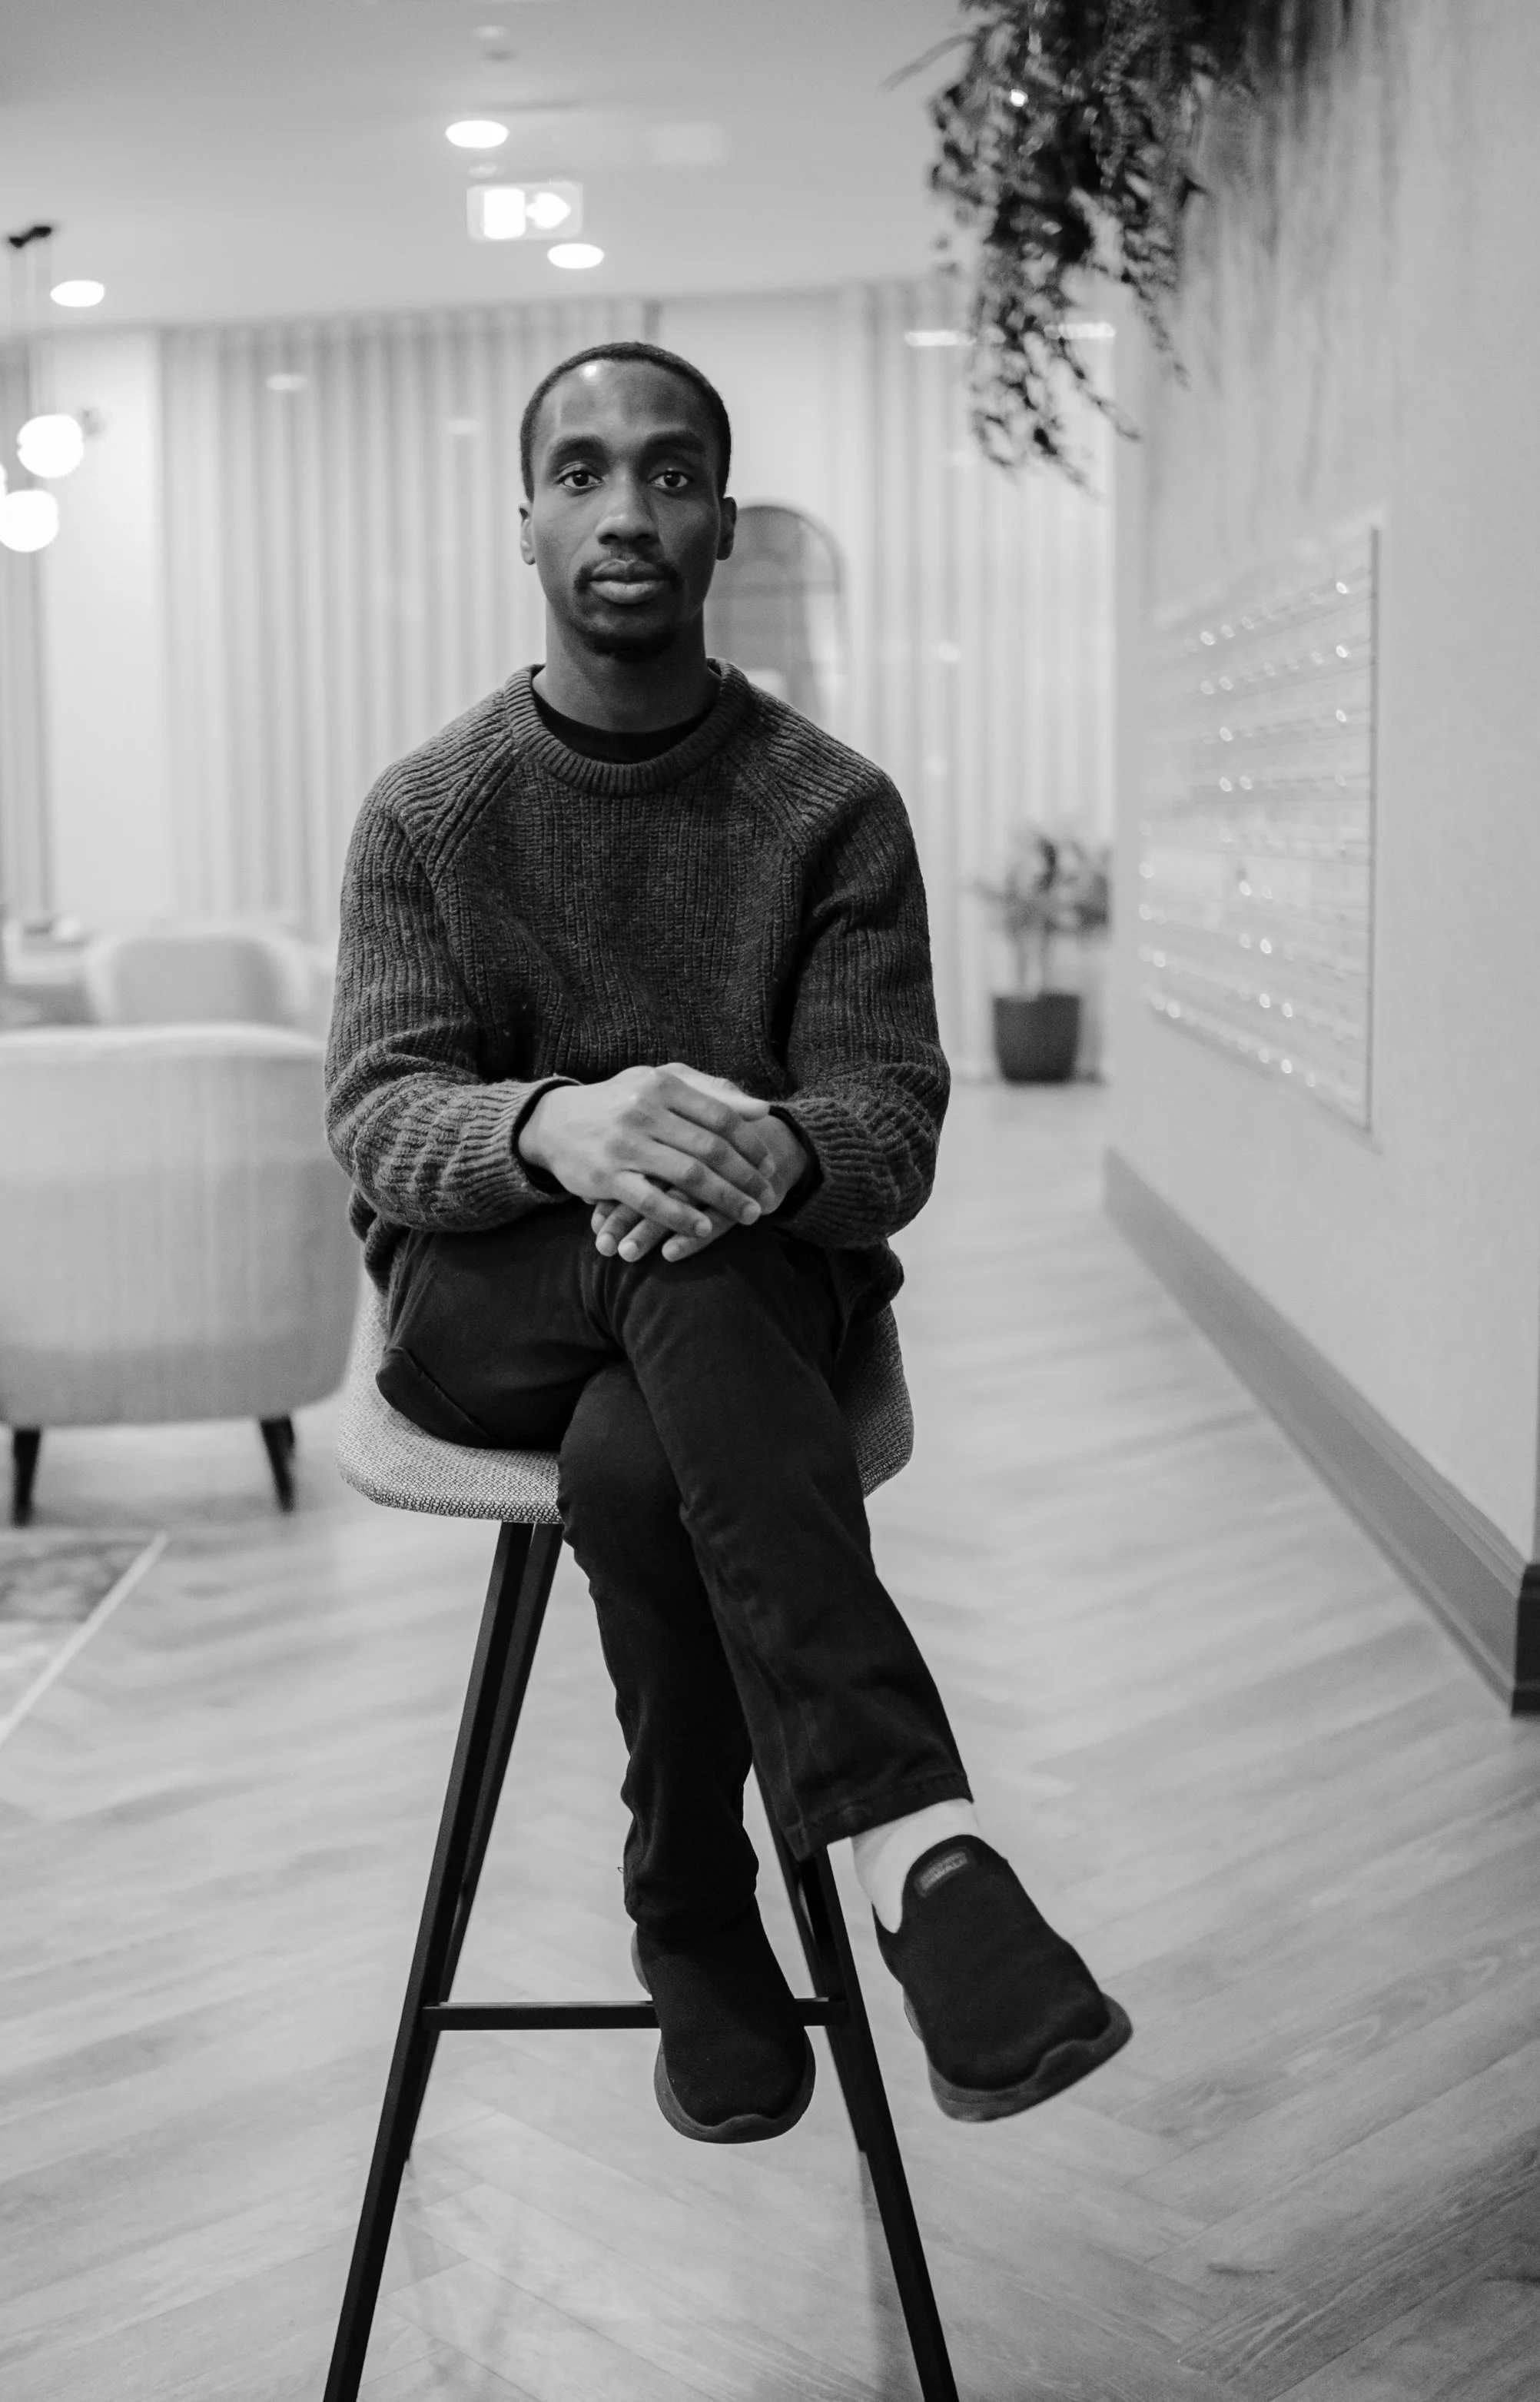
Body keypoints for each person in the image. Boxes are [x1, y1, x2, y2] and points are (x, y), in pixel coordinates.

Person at [326, 341, 1130, 2141]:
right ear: (525, 521)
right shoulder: (428, 811)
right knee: (667, 1271)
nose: (625, 508)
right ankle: (915, 1840)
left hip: (739, 1299)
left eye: (668, 473)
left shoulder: (826, 807)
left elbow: (886, 1123)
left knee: (643, 1438)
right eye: (583, 472)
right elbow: (378, 1114)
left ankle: (688, 1906)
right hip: (486, 1303)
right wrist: (555, 1123)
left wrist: (763, 1146)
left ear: (723, 526)